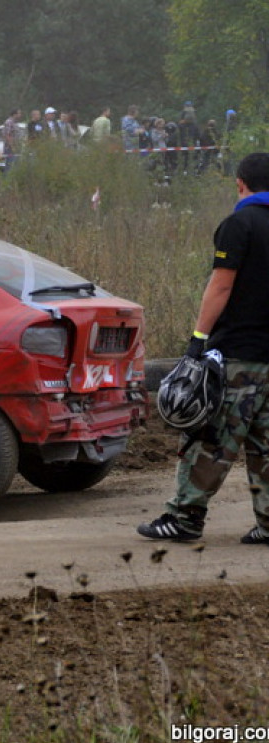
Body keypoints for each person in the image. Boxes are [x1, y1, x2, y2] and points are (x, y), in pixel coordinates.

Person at [138, 153, 269, 546]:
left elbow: (221, 285)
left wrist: (198, 339)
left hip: (239, 356)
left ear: (239, 184)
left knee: (211, 437)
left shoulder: (238, 225)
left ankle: (184, 518)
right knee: (265, 444)